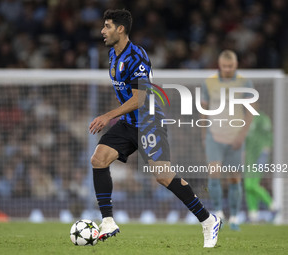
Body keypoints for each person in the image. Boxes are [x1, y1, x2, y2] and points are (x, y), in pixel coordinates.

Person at [90, 9, 221, 248]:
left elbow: (139, 99)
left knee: (162, 176)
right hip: (129, 123)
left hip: (150, 122)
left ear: (121, 29)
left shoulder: (136, 56)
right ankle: (108, 221)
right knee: (98, 159)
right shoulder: (112, 55)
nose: (102, 31)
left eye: (107, 26)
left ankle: (208, 220)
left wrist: (107, 115)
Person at [201, 50, 255, 231]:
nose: (227, 69)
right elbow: (204, 109)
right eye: (225, 66)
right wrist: (204, 134)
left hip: (235, 138)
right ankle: (218, 214)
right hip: (214, 136)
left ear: (236, 65)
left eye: (231, 66)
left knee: (234, 178)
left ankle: (235, 217)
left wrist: (242, 135)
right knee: (214, 173)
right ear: (219, 65)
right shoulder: (209, 82)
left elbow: (250, 112)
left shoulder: (245, 82)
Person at [244, 111, 276, 222]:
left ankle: (271, 203)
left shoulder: (262, 118)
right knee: (249, 186)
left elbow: (269, 135)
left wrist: (266, 150)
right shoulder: (244, 120)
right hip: (249, 159)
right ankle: (253, 214)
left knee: (250, 185)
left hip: (259, 157)